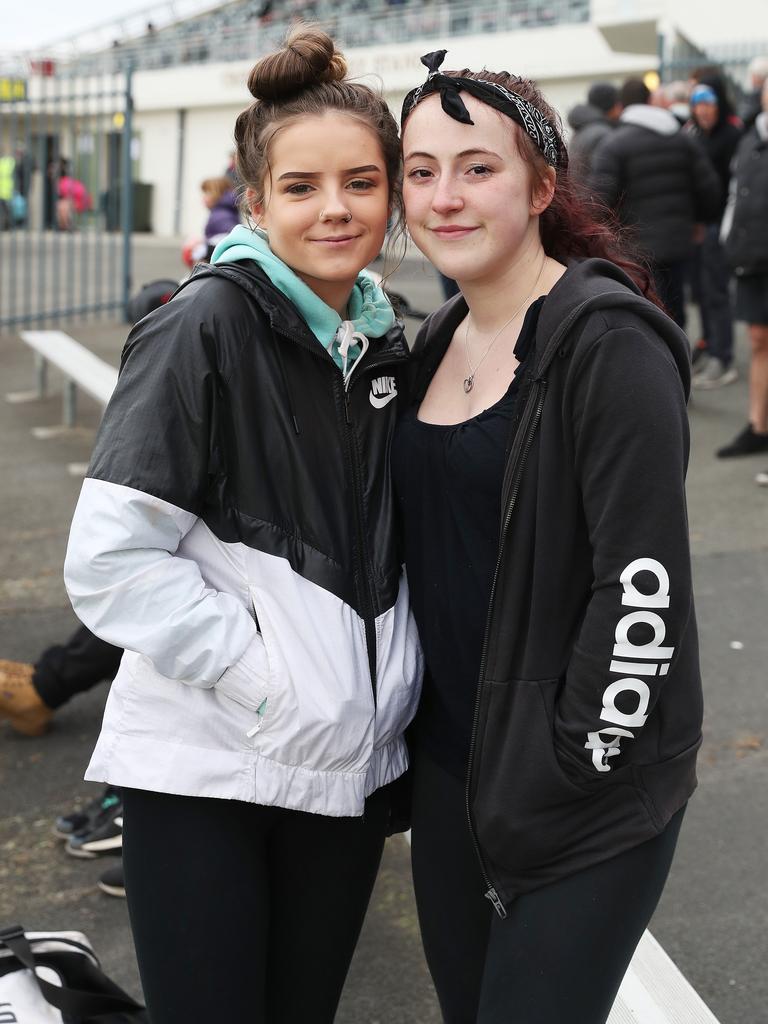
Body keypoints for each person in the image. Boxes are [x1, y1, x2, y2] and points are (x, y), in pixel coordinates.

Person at [63, 26, 421, 1024]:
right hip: (210, 767)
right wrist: (270, 684)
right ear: (255, 200)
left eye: (361, 182)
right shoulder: (204, 322)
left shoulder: (390, 340)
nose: (336, 208)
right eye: (301, 186)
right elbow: (110, 560)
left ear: (392, 193)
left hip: (340, 776)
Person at [394, 50, 702, 1024]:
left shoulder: (606, 342)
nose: (444, 196)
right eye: (419, 170)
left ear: (540, 184)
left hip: (586, 789)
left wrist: (579, 754)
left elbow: (641, 585)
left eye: (476, 167)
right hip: (452, 772)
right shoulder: (438, 338)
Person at [590, 76, 720, 328]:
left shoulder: (614, 145)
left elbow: (599, 201)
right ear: (649, 101)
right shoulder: (681, 139)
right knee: (676, 309)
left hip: (635, 248)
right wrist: (698, 220)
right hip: (679, 240)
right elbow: (709, 188)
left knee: (647, 313)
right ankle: (683, 361)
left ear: (622, 105)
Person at [718, 76, 768, 469]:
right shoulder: (751, 139)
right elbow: (737, 195)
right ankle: (758, 426)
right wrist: (728, 239)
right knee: (757, 339)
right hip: (753, 257)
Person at [686, 83, 742, 389]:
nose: (703, 109)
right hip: (698, 227)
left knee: (718, 293)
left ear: (719, 105)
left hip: (720, 226)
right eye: (698, 104)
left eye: (708, 103)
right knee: (704, 293)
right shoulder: (694, 135)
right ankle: (710, 346)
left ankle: (724, 357)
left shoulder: (732, 137)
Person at [566, 80, 621, 182]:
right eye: (617, 103)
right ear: (610, 105)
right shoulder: (603, 134)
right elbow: (604, 180)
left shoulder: (582, 129)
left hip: (579, 195)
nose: (620, 109)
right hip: (592, 196)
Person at [200, 174, 240, 257]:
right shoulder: (221, 211)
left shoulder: (221, 215)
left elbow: (229, 237)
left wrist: (204, 249)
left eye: (207, 193)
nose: (203, 198)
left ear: (216, 193)